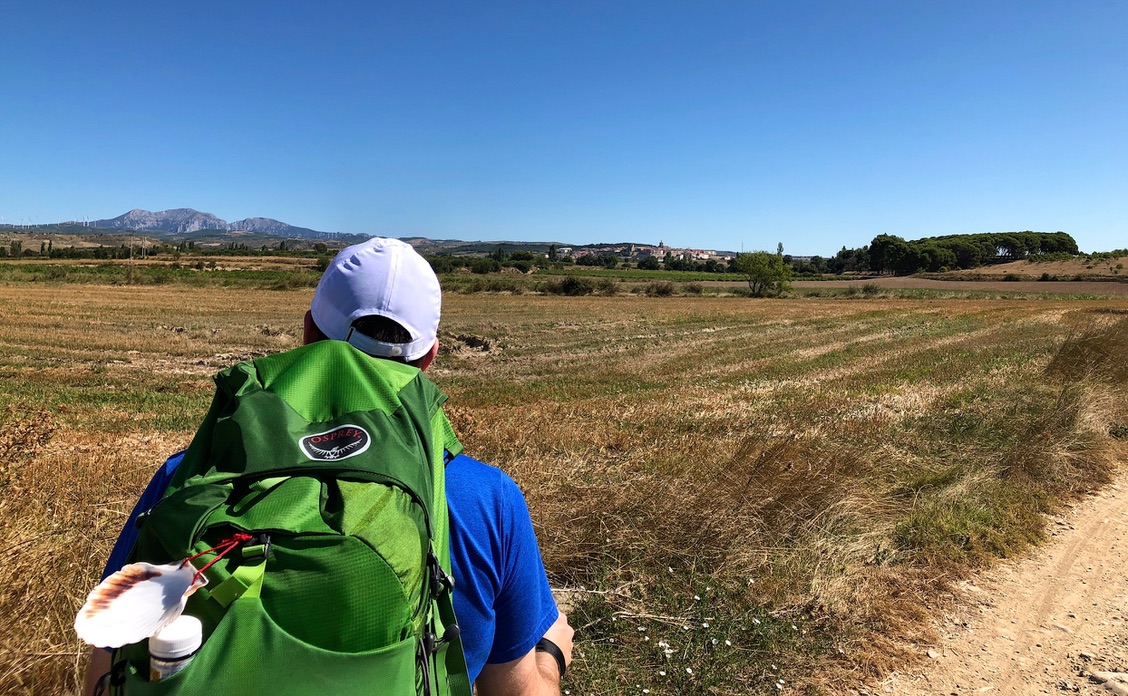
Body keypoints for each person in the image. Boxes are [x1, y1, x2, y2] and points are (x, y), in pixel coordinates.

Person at [84, 237, 573, 696]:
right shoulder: (489, 501)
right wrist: (551, 654)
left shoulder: (191, 480)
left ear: (307, 333)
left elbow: (106, 669)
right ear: (429, 360)